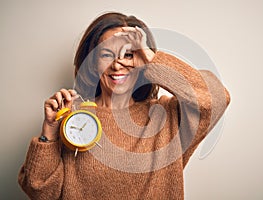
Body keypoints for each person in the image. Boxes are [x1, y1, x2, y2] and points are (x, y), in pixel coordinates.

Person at [18, 12, 230, 200]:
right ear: (92, 63)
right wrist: (49, 132)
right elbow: (40, 192)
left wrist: (151, 58)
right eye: (106, 54)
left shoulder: (167, 116)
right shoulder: (73, 119)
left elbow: (217, 97)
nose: (118, 64)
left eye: (129, 54)